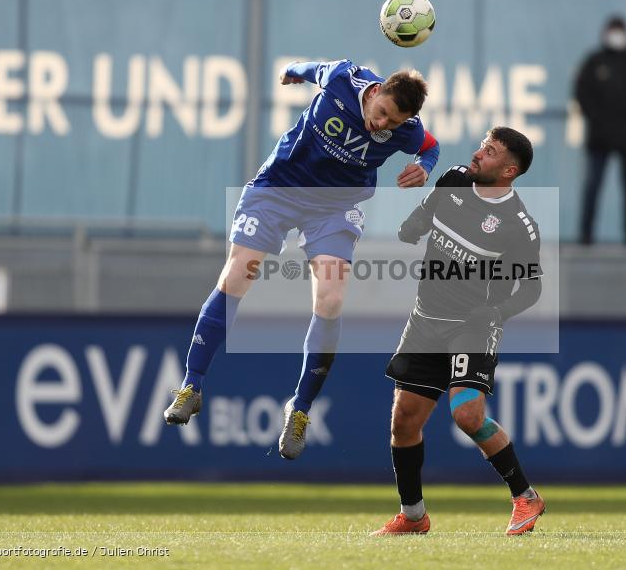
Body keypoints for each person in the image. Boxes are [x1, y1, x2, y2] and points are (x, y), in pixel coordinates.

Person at [163, 59, 440, 461]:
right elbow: (309, 67)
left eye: (393, 123)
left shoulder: (405, 128)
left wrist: (424, 166)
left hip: (335, 207)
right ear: (376, 92)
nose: (382, 126)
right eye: (381, 114)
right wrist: (293, 71)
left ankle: (300, 409)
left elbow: (429, 146)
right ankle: (191, 385)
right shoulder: (344, 78)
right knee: (238, 274)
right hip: (278, 189)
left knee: (330, 299)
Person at [372, 127, 545, 536]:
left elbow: (533, 287)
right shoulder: (453, 179)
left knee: (466, 414)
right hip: (426, 319)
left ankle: (525, 496)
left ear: (509, 170)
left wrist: (496, 313)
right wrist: (414, 222)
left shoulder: (519, 224)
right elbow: (429, 210)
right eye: (482, 146)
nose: (478, 153)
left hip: (471, 326)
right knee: (403, 421)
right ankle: (413, 516)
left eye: (490, 151)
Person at [574, 15, 626, 247]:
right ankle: (586, 234)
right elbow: (582, 93)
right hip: (600, 137)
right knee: (593, 185)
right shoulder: (595, 61)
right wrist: (597, 120)